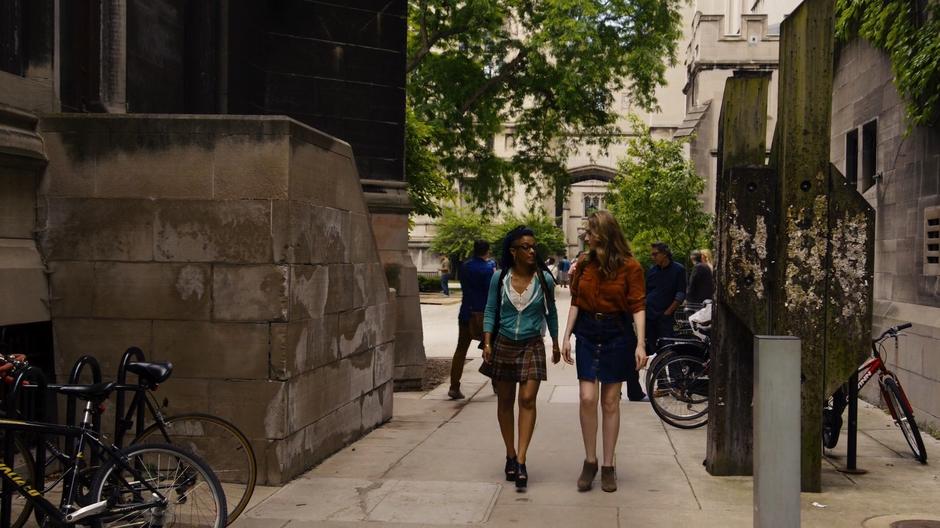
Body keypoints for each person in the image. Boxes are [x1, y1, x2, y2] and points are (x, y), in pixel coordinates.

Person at [561, 211, 646, 493]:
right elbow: (576, 300)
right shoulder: (584, 263)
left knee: (610, 401)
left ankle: (608, 465)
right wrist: (566, 335)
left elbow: (637, 306)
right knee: (587, 398)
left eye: (591, 232)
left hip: (617, 334)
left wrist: (640, 343)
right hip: (587, 331)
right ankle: (590, 460)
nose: (586, 236)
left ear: (605, 235)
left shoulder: (631, 267)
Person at [480, 226, 560, 490]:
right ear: (513, 251)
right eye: (525, 247)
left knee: (527, 399)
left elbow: (551, 312)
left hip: (532, 344)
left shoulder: (544, 279)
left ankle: (522, 460)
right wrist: (488, 342)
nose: (531, 251)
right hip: (503, 343)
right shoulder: (499, 277)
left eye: (533, 246)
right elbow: (491, 309)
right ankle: (510, 454)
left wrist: (557, 342)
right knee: (505, 400)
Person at [449, 240, 496, 400]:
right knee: (490, 347)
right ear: (487, 251)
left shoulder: (465, 266)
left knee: (460, 351)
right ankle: (496, 382)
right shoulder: (488, 268)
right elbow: (491, 291)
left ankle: (454, 386)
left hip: (466, 312)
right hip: (483, 314)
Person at [646, 242, 686, 355]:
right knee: (654, 352)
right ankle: (659, 373)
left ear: (664, 254)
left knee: (669, 350)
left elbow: (681, 293)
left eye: (655, 254)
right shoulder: (652, 271)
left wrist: (668, 312)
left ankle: (675, 373)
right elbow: (646, 292)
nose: (652, 257)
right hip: (650, 316)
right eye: (652, 255)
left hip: (665, 317)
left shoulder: (678, 269)